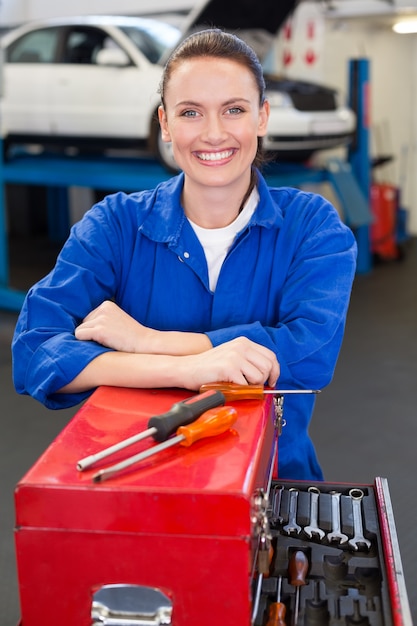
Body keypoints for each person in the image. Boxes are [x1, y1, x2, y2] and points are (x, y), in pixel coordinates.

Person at [12, 29, 357, 481]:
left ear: (262, 117)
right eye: (190, 112)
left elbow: (307, 354)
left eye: (234, 110)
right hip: (135, 477)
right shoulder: (115, 226)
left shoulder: (312, 226)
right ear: (166, 124)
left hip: (275, 481)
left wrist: (148, 340)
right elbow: (36, 349)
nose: (213, 134)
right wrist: (193, 367)